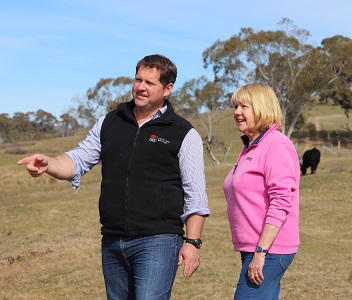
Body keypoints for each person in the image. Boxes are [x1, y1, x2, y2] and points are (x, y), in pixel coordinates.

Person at [18, 54, 210, 300]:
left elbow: (196, 195)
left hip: (158, 241)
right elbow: (77, 160)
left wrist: (192, 242)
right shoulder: (109, 122)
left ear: (168, 88)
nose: (140, 87)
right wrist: (49, 163)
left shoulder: (184, 133)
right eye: (138, 79)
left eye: (150, 83)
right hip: (112, 241)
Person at [223, 83, 300, 300]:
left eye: (243, 106)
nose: (237, 112)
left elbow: (282, 201)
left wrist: (261, 251)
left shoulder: (276, 145)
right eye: (235, 106)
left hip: (270, 250)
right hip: (255, 248)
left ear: (261, 108)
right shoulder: (251, 147)